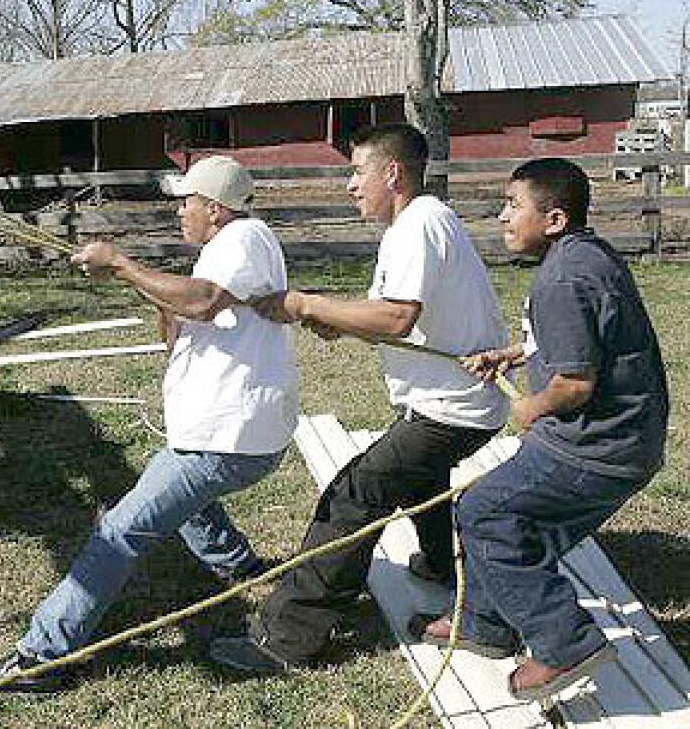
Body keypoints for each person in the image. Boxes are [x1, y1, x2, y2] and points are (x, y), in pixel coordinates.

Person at [0, 154, 300, 691]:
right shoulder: (226, 248)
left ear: (213, 209)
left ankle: (42, 657)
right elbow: (187, 317)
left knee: (118, 532)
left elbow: (205, 301)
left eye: (185, 202)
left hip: (227, 438)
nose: (179, 211)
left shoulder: (243, 239)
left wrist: (121, 264)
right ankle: (237, 564)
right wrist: (148, 287)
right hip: (225, 433)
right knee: (175, 485)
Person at [209, 123, 510, 673]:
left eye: (357, 171)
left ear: (391, 172)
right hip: (458, 401)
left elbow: (397, 317)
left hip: (455, 407)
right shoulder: (423, 221)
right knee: (421, 476)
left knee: (353, 495)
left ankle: (288, 640)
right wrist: (331, 317)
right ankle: (441, 567)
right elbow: (388, 320)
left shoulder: (416, 224)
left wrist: (305, 304)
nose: (351, 184)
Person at [411, 158, 669, 701]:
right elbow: (575, 340)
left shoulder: (563, 277)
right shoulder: (585, 256)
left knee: (488, 513)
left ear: (552, 219)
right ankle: (485, 622)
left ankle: (566, 642)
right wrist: (511, 355)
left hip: (597, 449)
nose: (502, 217)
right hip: (621, 442)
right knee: (494, 513)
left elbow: (574, 384)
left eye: (513, 206)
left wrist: (531, 407)